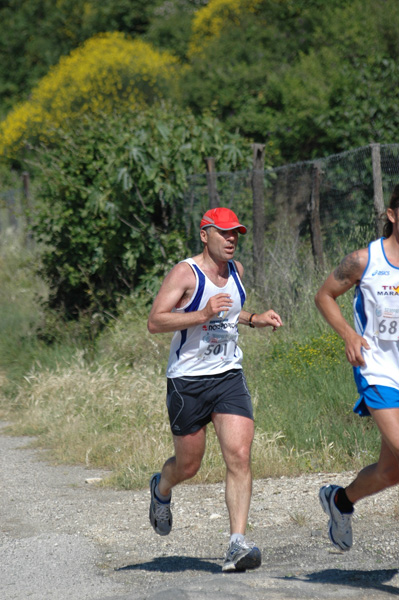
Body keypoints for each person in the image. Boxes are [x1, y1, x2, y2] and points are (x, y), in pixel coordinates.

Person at [147, 206, 283, 572]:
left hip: (228, 376)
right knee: (188, 466)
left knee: (239, 455)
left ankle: (237, 543)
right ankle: (161, 488)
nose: (232, 239)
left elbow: (228, 311)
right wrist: (201, 314)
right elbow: (156, 321)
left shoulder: (236, 272)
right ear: (205, 235)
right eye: (224, 233)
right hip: (187, 382)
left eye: (236, 232)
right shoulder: (185, 273)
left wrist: (254, 318)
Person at [315, 184, 399, 552]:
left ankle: (340, 501)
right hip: (377, 369)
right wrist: (348, 333)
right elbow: (324, 295)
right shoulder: (365, 260)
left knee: (390, 471)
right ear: (393, 215)